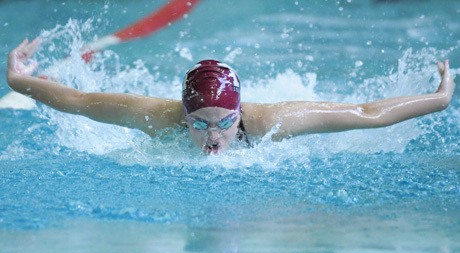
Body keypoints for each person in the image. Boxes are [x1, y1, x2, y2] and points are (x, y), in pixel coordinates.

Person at [6, 38, 455, 154]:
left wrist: (438, 100)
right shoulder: (156, 117)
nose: (213, 137)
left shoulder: (271, 122)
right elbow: (78, 102)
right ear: (183, 114)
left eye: (224, 122)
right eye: (199, 122)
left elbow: (366, 113)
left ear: (240, 113)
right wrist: (17, 81)